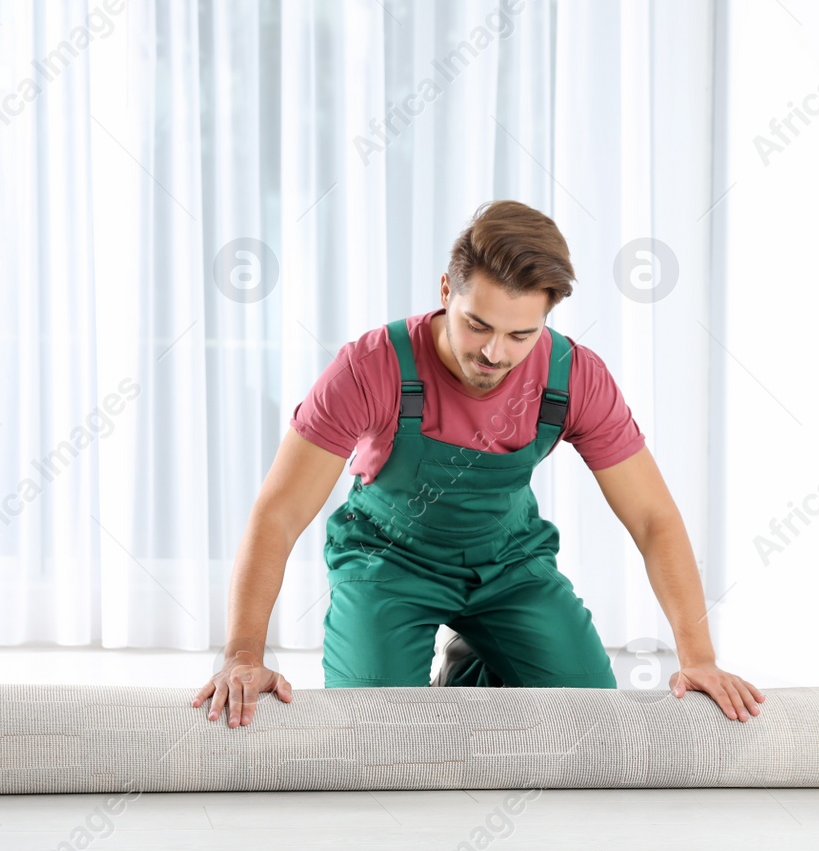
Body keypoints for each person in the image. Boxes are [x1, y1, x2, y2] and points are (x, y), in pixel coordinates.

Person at [193, 200, 764, 727]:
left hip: (509, 567)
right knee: (373, 729)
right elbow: (279, 514)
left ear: (549, 315)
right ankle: (448, 652)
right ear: (447, 290)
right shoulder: (371, 368)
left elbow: (653, 519)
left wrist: (700, 658)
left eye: (521, 334)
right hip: (387, 567)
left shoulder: (574, 377)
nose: (495, 354)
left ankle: (478, 656)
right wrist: (243, 656)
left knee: (589, 718)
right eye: (477, 325)